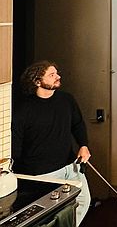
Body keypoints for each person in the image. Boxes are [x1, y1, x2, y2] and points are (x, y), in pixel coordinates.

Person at [12, 60, 91, 226]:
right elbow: (16, 143)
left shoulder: (66, 100)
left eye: (57, 73)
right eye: (52, 75)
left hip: (70, 166)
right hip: (44, 174)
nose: (58, 76)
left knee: (83, 201)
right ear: (37, 81)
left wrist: (83, 145)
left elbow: (77, 124)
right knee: (51, 215)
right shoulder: (23, 109)